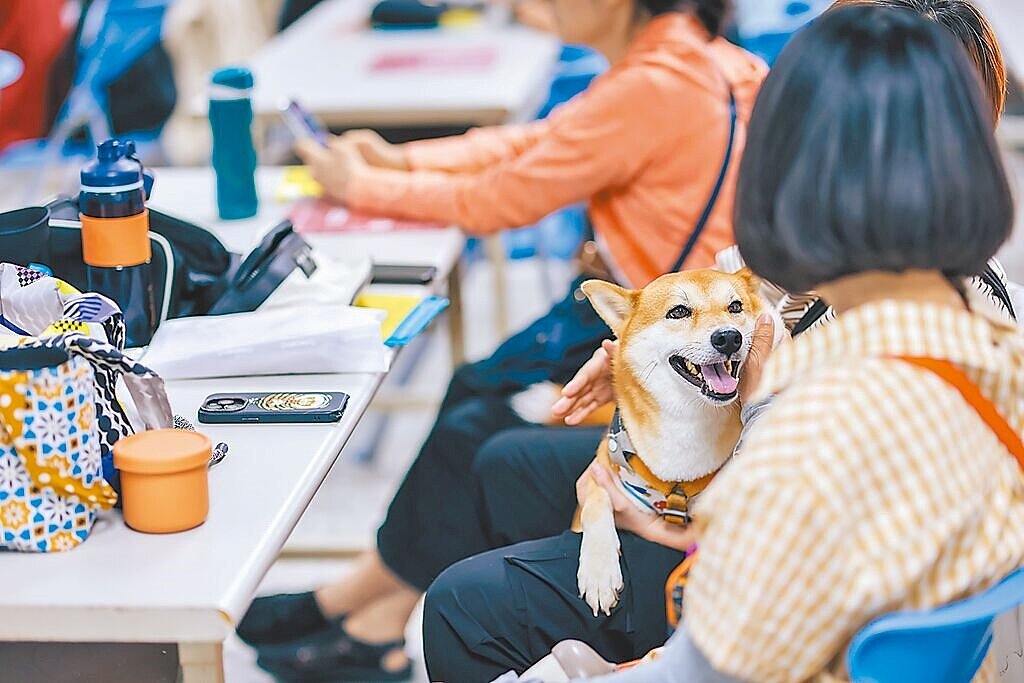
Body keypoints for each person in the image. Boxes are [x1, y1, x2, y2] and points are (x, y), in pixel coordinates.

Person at [421, 3, 1024, 681]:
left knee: (463, 608)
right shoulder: (986, 332)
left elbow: (704, 658)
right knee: (511, 470)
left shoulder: (816, 427)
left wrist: (659, 538)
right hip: (863, 626)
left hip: (765, 627)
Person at [239, 1, 767, 680]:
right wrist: (401, 160)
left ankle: (369, 613)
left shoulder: (658, 82)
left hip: (653, 328)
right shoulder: (698, 60)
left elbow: (503, 196)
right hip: (657, 312)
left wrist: (363, 183)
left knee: (476, 409)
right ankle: (367, 600)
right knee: (475, 392)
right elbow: (536, 143)